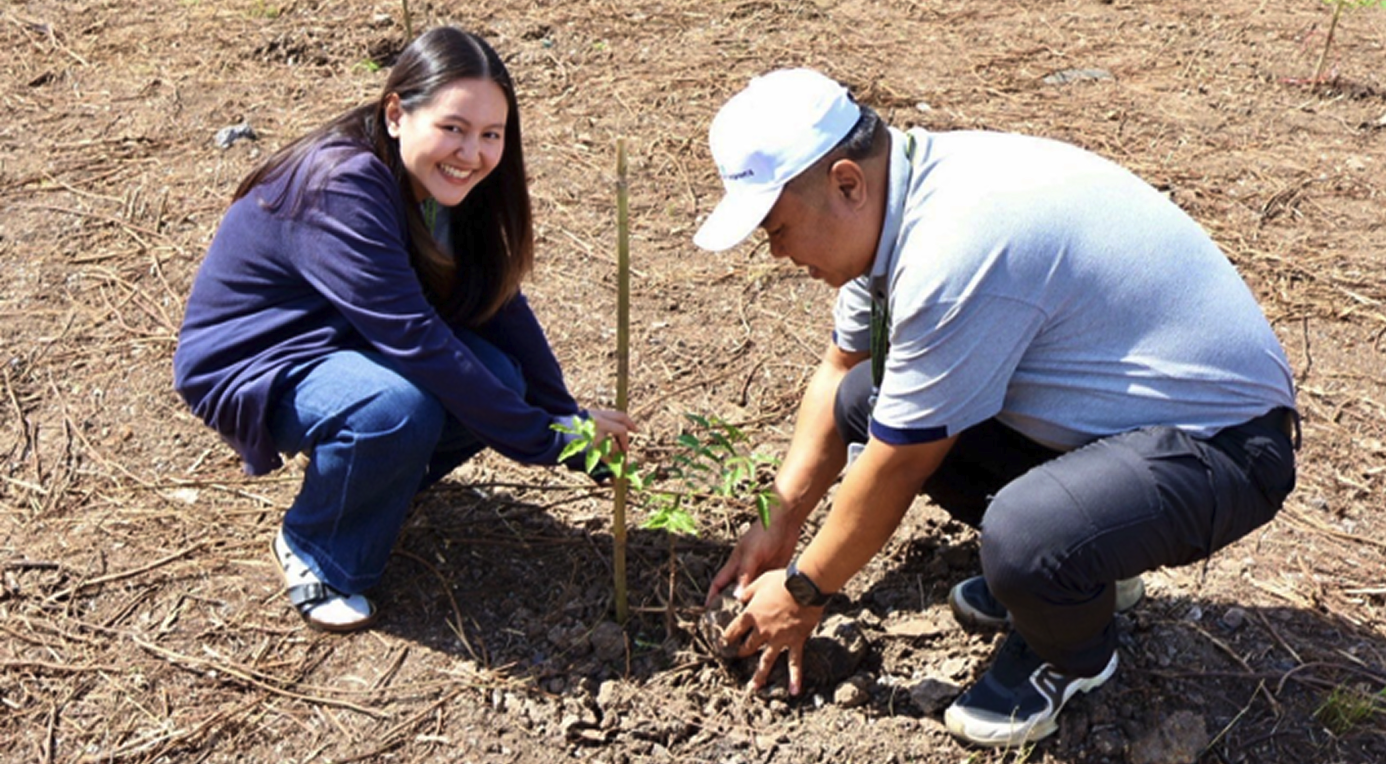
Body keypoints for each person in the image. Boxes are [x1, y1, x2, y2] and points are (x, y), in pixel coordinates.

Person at [695, 68, 1298, 748]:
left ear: (846, 183)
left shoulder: (953, 247)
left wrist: (805, 591)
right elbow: (841, 371)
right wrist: (778, 521)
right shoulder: (896, 202)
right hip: (1131, 422)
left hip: (1227, 447)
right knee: (865, 398)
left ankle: (1071, 649)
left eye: (778, 227)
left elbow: (898, 463)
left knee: (1023, 537)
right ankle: (1086, 567)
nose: (777, 251)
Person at [173, 27, 633, 634]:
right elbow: (418, 341)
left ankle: (372, 488)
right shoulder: (343, 183)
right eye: (453, 127)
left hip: (346, 336)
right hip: (259, 359)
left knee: (499, 376)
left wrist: (565, 418)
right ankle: (316, 549)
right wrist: (547, 440)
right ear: (396, 114)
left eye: (491, 134)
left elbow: (499, 305)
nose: (472, 153)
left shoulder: (447, 185)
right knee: (393, 410)